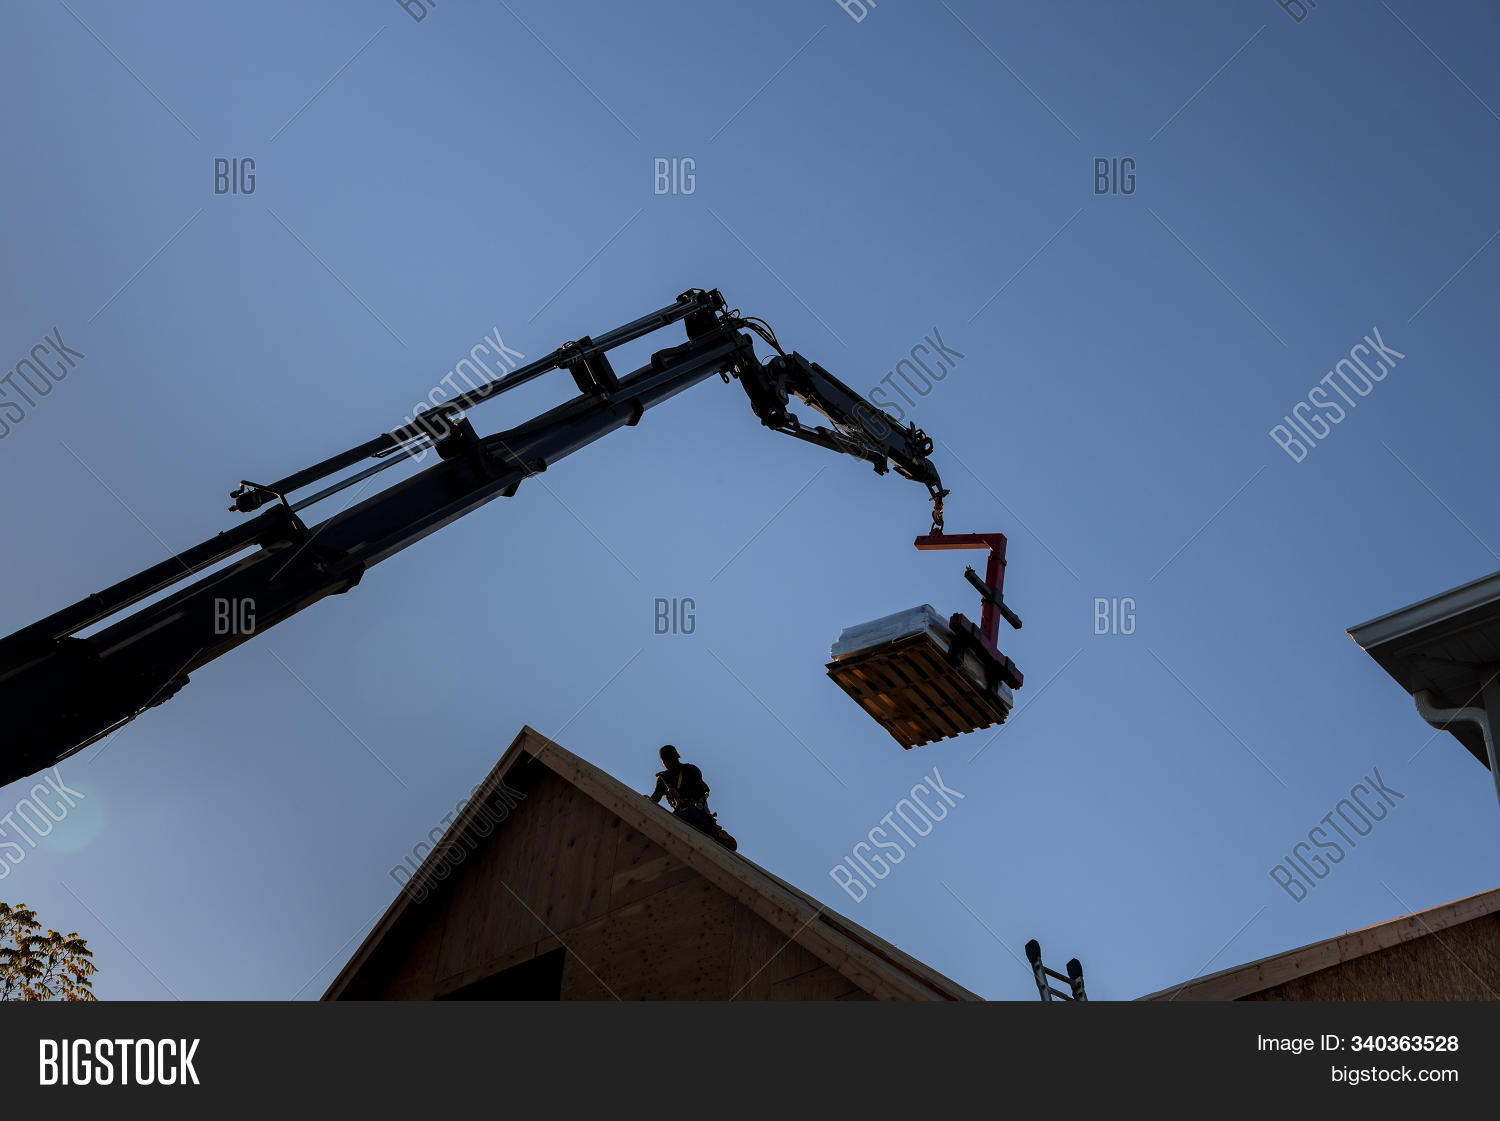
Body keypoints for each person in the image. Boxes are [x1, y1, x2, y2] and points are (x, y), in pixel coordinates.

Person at [646, 745, 737, 851]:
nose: (669, 763)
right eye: (666, 760)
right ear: (663, 762)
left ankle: (717, 833)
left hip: (698, 812)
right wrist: (646, 802)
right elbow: (655, 798)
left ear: (677, 756)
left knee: (691, 815)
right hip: (680, 814)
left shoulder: (690, 770)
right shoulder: (663, 779)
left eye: (670, 759)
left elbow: (699, 790)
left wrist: (679, 794)